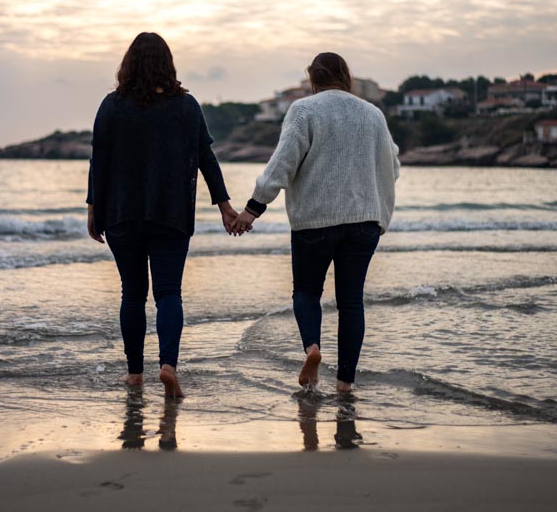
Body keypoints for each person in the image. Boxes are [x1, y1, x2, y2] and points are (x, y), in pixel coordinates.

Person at [231, 52, 400, 393]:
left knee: (307, 291)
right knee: (351, 301)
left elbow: (283, 163)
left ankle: (312, 348)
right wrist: (373, 203)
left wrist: (252, 209)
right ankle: (345, 385)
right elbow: (393, 166)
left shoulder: (305, 110)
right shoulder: (373, 114)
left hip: (315, 222)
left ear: (314, 78)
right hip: (365, 221)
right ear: (346, 76)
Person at [87, 32, 238, 398]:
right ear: (168, 64)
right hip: (170, 214)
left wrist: (93, 208)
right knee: (169, 293)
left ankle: (135, 374)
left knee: (132, 294)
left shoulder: (112, 105)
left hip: (122, 214)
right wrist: (225, 206)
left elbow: (99, 161)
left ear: (128, 63)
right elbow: (207, 159)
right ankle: (168, 365)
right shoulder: (186, 106)